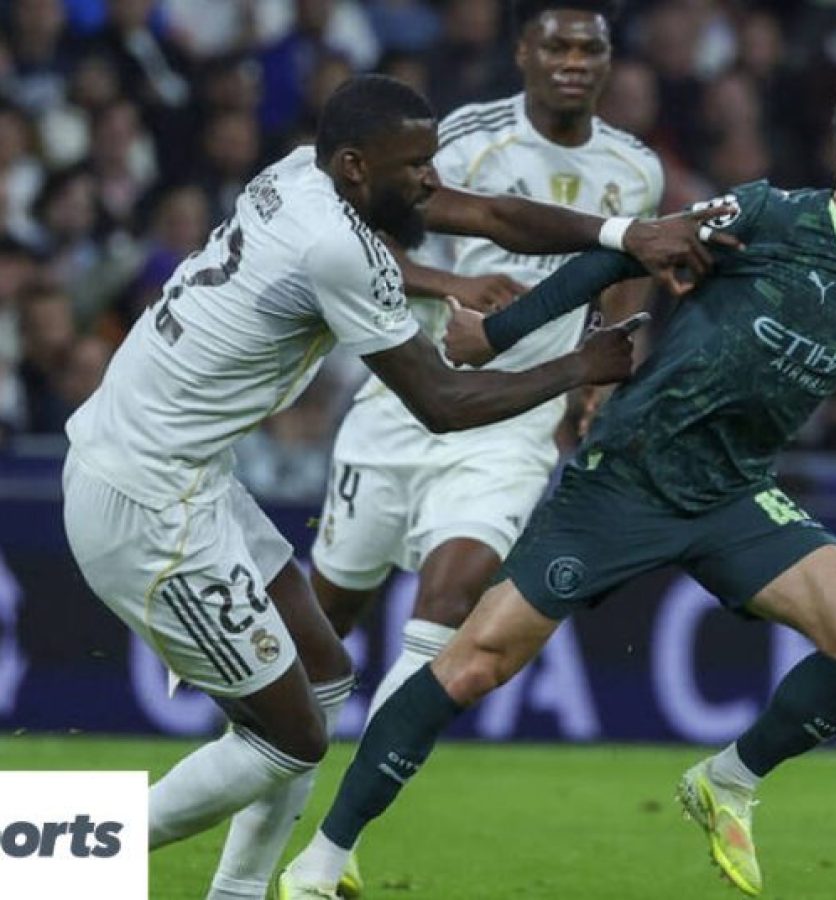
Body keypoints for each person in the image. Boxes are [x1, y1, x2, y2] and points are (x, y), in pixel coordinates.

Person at [280, 74, 836, 899]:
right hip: (629, 475)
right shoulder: (770, 214)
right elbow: (626, 250)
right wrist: (499, 333)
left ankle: (728, 780)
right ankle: (325, 857)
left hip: (733, 492)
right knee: (474, 663)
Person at [61, 73, 723, 900]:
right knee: (289, 739)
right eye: (413, 165)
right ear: (354, 165)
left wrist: (626, 233)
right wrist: (577, 368)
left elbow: (489, 216)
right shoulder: (334, 246)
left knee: (325, 678)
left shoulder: (295, 174)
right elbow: (443, 403)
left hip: (178, 470)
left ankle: (235, 894)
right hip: (147, 499)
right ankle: (40, 858)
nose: (428, 179)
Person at [311, 1, 661, 883]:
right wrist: (451, 285)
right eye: (557, 44)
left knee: (450, 599)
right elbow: (358, 244)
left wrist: (597, 379)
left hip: (512, 426)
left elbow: (622, 281)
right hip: (402, 405)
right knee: (327, 625)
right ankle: (256, 772)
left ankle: (339, 835)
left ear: (608, 60)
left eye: (590, 47)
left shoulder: (636, 169)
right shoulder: (460, 139)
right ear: (522, 53)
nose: (574, 60)